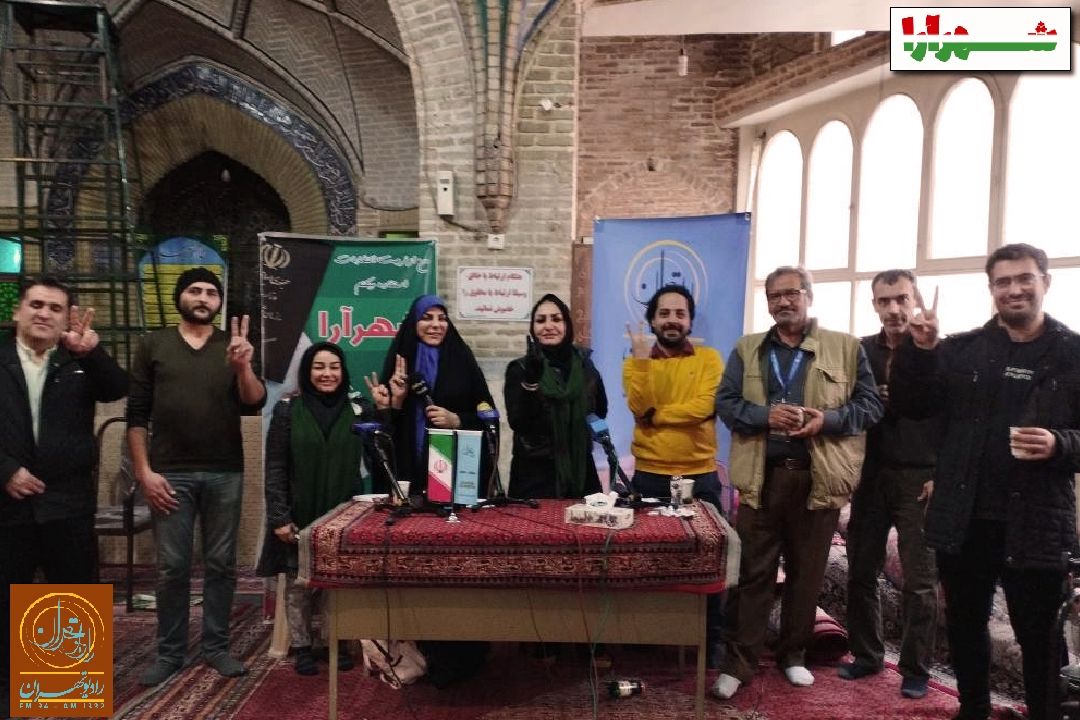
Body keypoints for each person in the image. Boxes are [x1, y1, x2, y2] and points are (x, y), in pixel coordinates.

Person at [889, 243, 1080, 720]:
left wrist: (1060, 444)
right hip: (965, 517)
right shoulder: (962, 350)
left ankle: (1044, 713)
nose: (1014, 289)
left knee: (1040, 635)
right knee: (965, 624)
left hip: (1037, 520)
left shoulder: (1073, 353)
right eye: (1003, 281)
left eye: (1024, 278)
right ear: (991, 289)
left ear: (1045, 282)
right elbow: (912, 405)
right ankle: (972, 709)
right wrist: (919, 352)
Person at [713, 266, 882, 699]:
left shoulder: (846, 348)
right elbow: (726, 403)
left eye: (791, 293)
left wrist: (828, 420)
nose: (783, 302)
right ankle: (740, 663)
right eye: (775, 296)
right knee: (753, 576)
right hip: (762, 478)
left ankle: (793, 656)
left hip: (817, 479)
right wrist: (764, 416)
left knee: (807, 576)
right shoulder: (748, 349)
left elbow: (870, 406)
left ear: (808, 295)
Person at [128, 268, 266, 686]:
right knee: (172, 567)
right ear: (180, 297)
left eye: (211, 292)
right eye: (195, 290)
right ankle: (170, 653)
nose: (203, 298)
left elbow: (254, 402)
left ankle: (216, 647)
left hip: (225, 471)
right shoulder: (153, 344)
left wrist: (243, 367)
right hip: (169, 475)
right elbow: (136, 416)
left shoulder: (232, 345)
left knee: (221, 564)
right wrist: (144, 473)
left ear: (219, 302)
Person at [0, 277, 128, 712]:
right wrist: (5, 471)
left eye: (55, 308)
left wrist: (92, 352)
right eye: (36, 304)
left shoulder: (77, 361)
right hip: (8, 505)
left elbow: (117, 388)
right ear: (17, 311)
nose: (44, 314)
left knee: (69, 605)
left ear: (66, 319)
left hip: (68, 504)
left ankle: (66, 698)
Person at [377, 294, 495, 687]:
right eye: (426, 317)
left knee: (459, 568)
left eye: (441, 317)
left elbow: (489, 416)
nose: (435, 324)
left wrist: (457, 419)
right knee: (420, 570)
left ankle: (463, 651)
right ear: (413, 324)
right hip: (412, 482)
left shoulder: (462, 360)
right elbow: (383, 433)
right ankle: (420, 652)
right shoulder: (400, 362)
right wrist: (394, 403)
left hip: (456, 482)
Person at [838, 269, 939, 700]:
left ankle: (916, 669)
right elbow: (844, 407)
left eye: (902, 299)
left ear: (915, 300)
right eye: (885, 301)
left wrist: (941, 475)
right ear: (874, 305)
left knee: (920, 580)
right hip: (870, 472)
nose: (894, 309)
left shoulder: (939, 351)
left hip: (921, 476)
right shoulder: (860, 351)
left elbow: (956, 420)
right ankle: (867, 655)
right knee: (861, 569)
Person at [622, 283, 727, 665]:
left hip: (700, 476)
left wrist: (658, 416)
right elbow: (640, 407)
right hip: (650, 476)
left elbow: (705, 406)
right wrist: (641, 364)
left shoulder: (710, 359)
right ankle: (644, 637)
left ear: (690, 321)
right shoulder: (635, 362)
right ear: (652, 320)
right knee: (645, 560)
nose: (672, 320)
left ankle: (711, 640)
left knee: (710, 559)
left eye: (680, 314)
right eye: (664, 313)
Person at [256, 342, 371, 675]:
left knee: (337, 583)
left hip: (343, 512)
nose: (327, 373)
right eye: (319, 367)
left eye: (334, 367)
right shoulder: (287, 410)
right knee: (298, 584)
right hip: (299, 510)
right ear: (307, 372)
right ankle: (303, 646)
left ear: (343, 371)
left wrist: (386, 410)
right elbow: (275, 466)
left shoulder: (360, 409)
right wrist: (280, 517)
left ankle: (334, 642)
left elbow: (381, 451)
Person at [504, 293, 607, 499]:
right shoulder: (520, 369)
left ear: (567, 325)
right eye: (541, 320)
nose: (549, 326)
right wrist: (531, 383)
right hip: (535, 475)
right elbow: (519, 422)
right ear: (533, 328)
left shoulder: (585, 365)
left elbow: (600, 410)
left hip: (581, 470)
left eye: (556, 319)